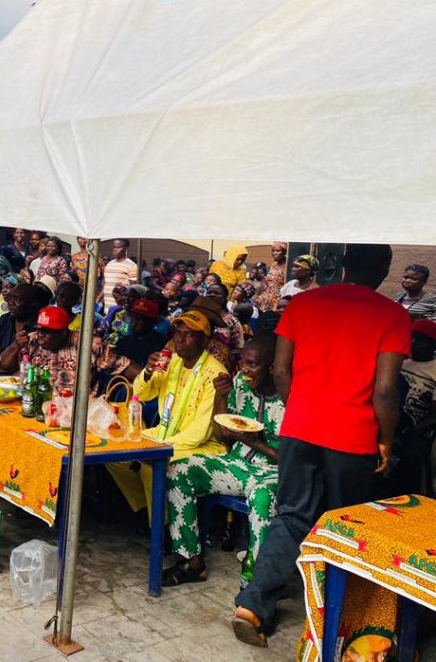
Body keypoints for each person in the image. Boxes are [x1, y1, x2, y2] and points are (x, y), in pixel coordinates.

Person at [232, 244, 410, 647]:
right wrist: (385, 439)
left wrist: (301, 410)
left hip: (299, 427)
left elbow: (280, 369)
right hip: (352, 435)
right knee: (342, 523)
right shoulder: (393, 315)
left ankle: (253, 606)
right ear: (384, 270)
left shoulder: (305, 304)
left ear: (342, 265)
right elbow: (385, 390)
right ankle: (335, 620)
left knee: (291, 515)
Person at [163, 336, 285, 588]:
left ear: (273, 367)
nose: (245, 370)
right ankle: (191, 561)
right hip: (236, 464)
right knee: (178, 469)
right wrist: (221, 397)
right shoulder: (240, 383)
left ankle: (257, 582)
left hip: (271, 473)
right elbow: (221, 433)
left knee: (263, 498)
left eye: (252, 365)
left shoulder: (290, 398)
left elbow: (293, 459)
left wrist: (256, 444)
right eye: (243, 363)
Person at [108, 306, 228, 521]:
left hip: (202, 445)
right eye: (177, 334)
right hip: (164, 433)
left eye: (188, 335)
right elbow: (142, 394)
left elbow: (199, 433)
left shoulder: (215, 373)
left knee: (152, 466)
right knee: (113, 455)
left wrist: (157, 449)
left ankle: (160, 529)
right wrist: (148, 371)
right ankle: (146, 508)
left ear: (204, 341)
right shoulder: (172, 361)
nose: (179, 340)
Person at [385, 319, 436, 495]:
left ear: (433, 345)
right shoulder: (400, 361)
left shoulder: (434, 369)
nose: (413, 343)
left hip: (417, 430)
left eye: (420, 339)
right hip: (390, 422)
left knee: (409, 473)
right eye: (412, 338)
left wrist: (413, 430)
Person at [115, 297, 168, 368]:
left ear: (151, 322)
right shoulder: (123, 342)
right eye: (132, 318)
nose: (133, 323)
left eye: (138, 319)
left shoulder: (162, 345)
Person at [102, 239, 138, 309]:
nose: (115, 249)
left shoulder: (131, 266)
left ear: (126, 248)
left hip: (120, 308)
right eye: (114, 247)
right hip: (107, 307)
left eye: (118, 247)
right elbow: (105, 284)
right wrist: (99, 300)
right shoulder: (109, 264)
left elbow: (133, 289)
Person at [254, 242, 287, 312]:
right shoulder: (274, 265)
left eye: (278, 251)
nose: (274, 253)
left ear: (284, 252)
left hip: (279, 301)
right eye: (273, 251)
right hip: (266, 300)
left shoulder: (287, 266)